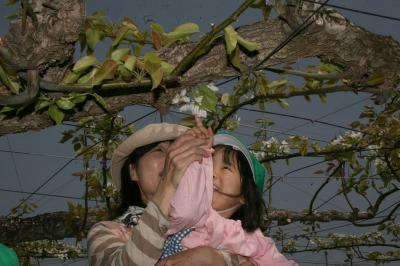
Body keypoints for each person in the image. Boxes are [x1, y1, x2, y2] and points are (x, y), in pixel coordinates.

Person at [87, 122, 254, 265]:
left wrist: (214, 258)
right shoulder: (108, 231)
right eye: (159, 151)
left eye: (180, 151)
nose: (172, 157)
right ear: (133, 171)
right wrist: (168, 183)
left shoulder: (221, 231)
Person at [158, 121, 297, 266]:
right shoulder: (188, 214)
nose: (212, 173)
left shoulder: (251, 240)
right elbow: (185, 196)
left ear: (245, 195)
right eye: (209, 165)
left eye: (226, 167)